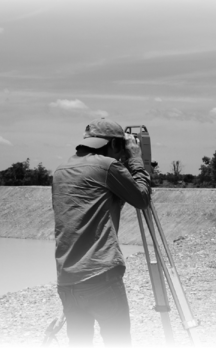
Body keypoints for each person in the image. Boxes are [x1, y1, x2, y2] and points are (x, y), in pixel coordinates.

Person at [52, 118, 151, 346]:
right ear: (116, 145)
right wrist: (136, 161)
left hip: (67, 280)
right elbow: (141, 198)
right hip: (100, 276)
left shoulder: (60, 171)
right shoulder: (107, 166)